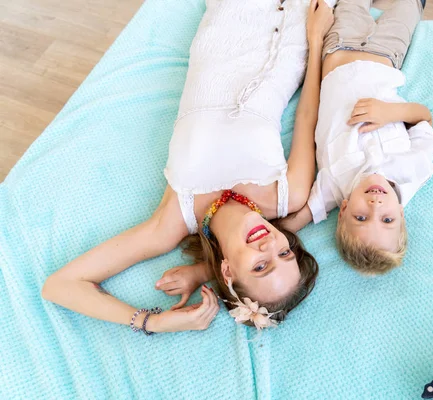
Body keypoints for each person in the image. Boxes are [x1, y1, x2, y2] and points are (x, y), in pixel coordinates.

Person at [42, 0, 335, 333]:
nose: (271, 245)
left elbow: (61, 284)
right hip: (295, 38)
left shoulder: (173, 220)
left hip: (230, 25)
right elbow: (307, 116)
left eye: (261, 266)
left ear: (227, 272)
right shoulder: (288, 196)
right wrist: (315, 38)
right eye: (285, 254)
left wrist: (154, 321)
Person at [281, 0, 433, 275]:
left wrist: (207, 266)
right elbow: (424, 118)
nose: (375, 206)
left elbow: (288, 227)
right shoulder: (415, 170)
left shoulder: (333, 186)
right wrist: (391, 112)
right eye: (387, 219)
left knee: (351, 5)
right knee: (408, 10)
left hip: (338, 48)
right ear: (401, 214)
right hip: (386, 56)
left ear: (342, 210)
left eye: (361, 217)